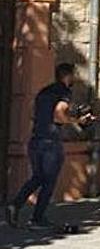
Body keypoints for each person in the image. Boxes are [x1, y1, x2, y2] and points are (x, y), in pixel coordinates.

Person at [5, 63, 93, 230]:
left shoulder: (44, 92)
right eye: (73, 75)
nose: (73, 78)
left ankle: (15, 205)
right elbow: (59, 115)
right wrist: (79, 121)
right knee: (49, 181)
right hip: (50, 143)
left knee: (37, 177)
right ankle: (37, 218)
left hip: (36, 140)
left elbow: (34, 114)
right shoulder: (64, 91)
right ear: (68, 76)